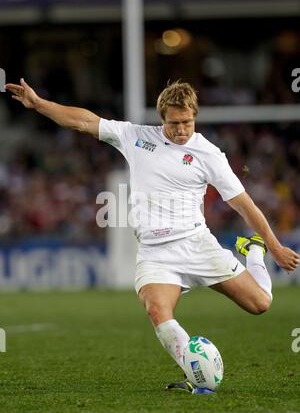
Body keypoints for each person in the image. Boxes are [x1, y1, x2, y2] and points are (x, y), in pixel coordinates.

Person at [6, 79, 300, 394]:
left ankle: (251, 250)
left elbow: (245, 205)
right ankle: (199, 379)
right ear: (162, 119)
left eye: (187, 122)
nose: (181, 129)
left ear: (195, 116)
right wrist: (40, 104)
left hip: (197, 245)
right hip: (155, 254)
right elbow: (84, 122)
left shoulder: (209, 153)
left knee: (261, 304)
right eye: (174, 123)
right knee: (157, 311)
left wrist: (273, 246)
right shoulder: (136, 137)